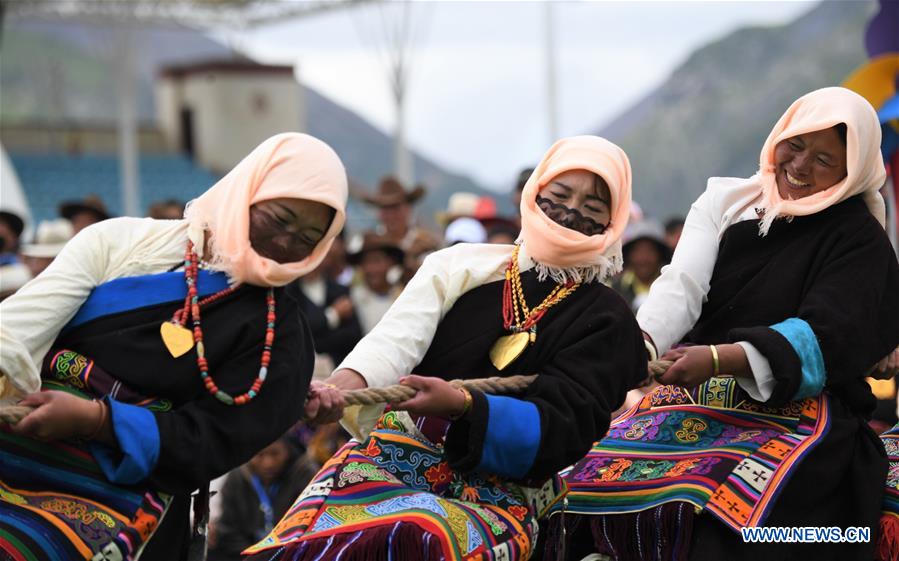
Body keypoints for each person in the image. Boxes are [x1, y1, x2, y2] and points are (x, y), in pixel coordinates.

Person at [244, 136, 647, 561]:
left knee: (421, 535)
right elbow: (394, 341)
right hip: (393, 455)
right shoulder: (458, 265)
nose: (571, 212)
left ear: (613, 220)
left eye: (593, 206)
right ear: (534, 194)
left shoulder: (608, 316)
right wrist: (340, 387)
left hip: (501, 490)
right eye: (560, 195)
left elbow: (567, 421)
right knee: (301, 542)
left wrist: (463, 405)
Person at [550, 87, 899, 561]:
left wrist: (719, 359)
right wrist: (640, 348)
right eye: (794, 145)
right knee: (584, 491)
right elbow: (682, 287)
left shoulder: (860, 238)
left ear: (852, 170)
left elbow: (827, 335)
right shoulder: (725, 201)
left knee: (741, 526)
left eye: (824, 160)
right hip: (694, 391)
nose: (799, 165)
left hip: (802, 403)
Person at [0, 133, 348, 560]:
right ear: (246, 191)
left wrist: (97, 421)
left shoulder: (283, 337)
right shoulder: (118, 244)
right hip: (20, 444)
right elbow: (15, 332)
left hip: (128, 503)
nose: (285, 244)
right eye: (278, 218)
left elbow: (214, 440)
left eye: (308, 236)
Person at [208, 436, 318, 561]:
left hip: (290, 553)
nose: (268, 463)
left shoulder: (305, 474)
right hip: (245, 554)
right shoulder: (237, 477)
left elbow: (310, 526)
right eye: (259, 455)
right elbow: (228, 529)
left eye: (275, 454)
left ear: (288, 450)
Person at [360, 176, 441, 279]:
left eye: (395, 208)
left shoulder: (426, 243)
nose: (390, 215)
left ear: (408, 208)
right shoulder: (367, 243)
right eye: (385, 209)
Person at [346, 232, 406, 334]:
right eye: (366, 262)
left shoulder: (404, 295)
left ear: (390, 262)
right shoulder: (353, 297)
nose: (371, 269)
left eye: (376, 261)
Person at [609, 220, 672, 312]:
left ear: (660, 255)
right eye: (637, 250)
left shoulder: (671, 288)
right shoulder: (613, 290)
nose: (643, 258)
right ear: (628, 255)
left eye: (650, 250)